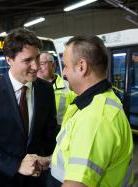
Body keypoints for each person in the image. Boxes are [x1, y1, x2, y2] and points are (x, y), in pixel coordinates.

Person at [0, 28, 58, 187]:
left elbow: (50, 136)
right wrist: (15, 165)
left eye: (37, 58)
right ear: (9, 60)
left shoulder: (46, 90)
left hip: (36, 181)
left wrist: (46, 160)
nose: (36, 66)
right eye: (27, 60)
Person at [48, 36, 134, 187]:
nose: (64, 74)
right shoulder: (96, 103)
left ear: (82, 66)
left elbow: (76, 184)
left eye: (65, 66)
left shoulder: (96, 117)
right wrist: (49, 160)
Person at [37, 52, 75, 125]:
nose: (38, 67)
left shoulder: (69, 87)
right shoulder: (30, 88)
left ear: (53, 65)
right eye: (36, 63)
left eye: (41, 63)